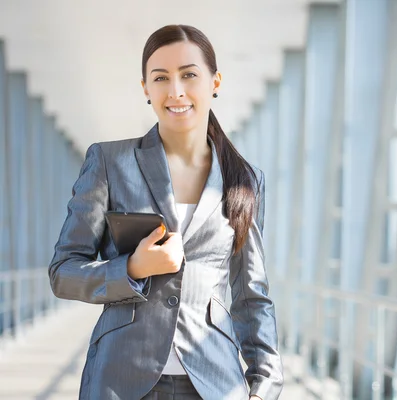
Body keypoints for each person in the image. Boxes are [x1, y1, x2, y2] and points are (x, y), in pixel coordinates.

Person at [48, 24, 283, 400]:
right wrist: (133, 269)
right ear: (146, 87)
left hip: (215, 380)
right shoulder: (110, 162)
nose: (175, 91)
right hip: (121, 379)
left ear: (214, 81)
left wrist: (265, 384)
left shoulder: (245, 178)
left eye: (189, 74)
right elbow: (63, 272)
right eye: (161, 78)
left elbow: (251, 294)